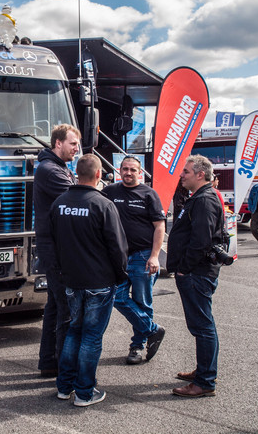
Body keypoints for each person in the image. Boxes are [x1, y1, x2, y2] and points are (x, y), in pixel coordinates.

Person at [51, 154, 128, 406]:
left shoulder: (59, 203)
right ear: (98, 175)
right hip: (98, 281)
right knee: (91, 336)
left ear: (76, 173)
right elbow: (118, 248)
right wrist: (120, 275)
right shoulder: (103, 205)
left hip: (72, 280)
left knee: (75, 330)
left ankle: (64, 387)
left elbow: (52, 242)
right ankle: (84, 392)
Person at [167, 154, 225, 398]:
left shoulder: (204, 200)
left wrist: (184, 268)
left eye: (186, 172)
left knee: (203, 327)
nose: (181, 175)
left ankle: (205, 381)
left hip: (196, 273)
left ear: (200, 174)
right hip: (195, 272)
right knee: (201, 326)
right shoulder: (199, 198)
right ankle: (204, 371)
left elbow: (201, 241)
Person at [103, 156, 166, 365]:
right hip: (118, 257)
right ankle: (153, 330)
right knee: (117, 297)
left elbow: (159, 227)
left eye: (133, 170)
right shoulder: (110, 191)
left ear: (140, 172)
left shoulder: (149, 194)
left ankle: (137, 347)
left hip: (143, 256)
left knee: (142, 302)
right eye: (125, 169)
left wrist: (155, 256)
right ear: (119, 170)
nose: (128, 173)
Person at [34, 124, 81, 378]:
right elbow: (79, 199)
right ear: (58, 143)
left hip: (54, 247)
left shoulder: (56, 167)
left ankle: (49, 363)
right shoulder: (51, 170)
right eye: (73, 144)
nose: (76, 149)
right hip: (57, 251)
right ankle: (66, 372)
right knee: (66, 311)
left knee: (54, 307)